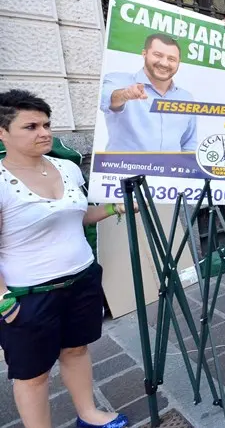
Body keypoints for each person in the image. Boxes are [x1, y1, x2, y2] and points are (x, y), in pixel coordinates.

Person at [0, 90, 133, 428]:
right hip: (29, 295)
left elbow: (78, 216)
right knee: (33, 374)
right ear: (2, 133)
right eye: (30, 126)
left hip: (81, 280)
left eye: (46, 124)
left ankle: (87, 414)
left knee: (76, 350)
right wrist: (2, 297)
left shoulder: (66, 167)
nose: (44, 133)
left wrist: (115, 207)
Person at [99, 33, 197, 153]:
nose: (164, 63)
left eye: (171, 59)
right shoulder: (117, 80)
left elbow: (189, 144)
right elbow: (108, 99)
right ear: (144, 54)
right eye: (158, 55)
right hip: (124, 169)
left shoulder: (186, 98)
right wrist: (125, 94)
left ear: (178, 62)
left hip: (169, 170)